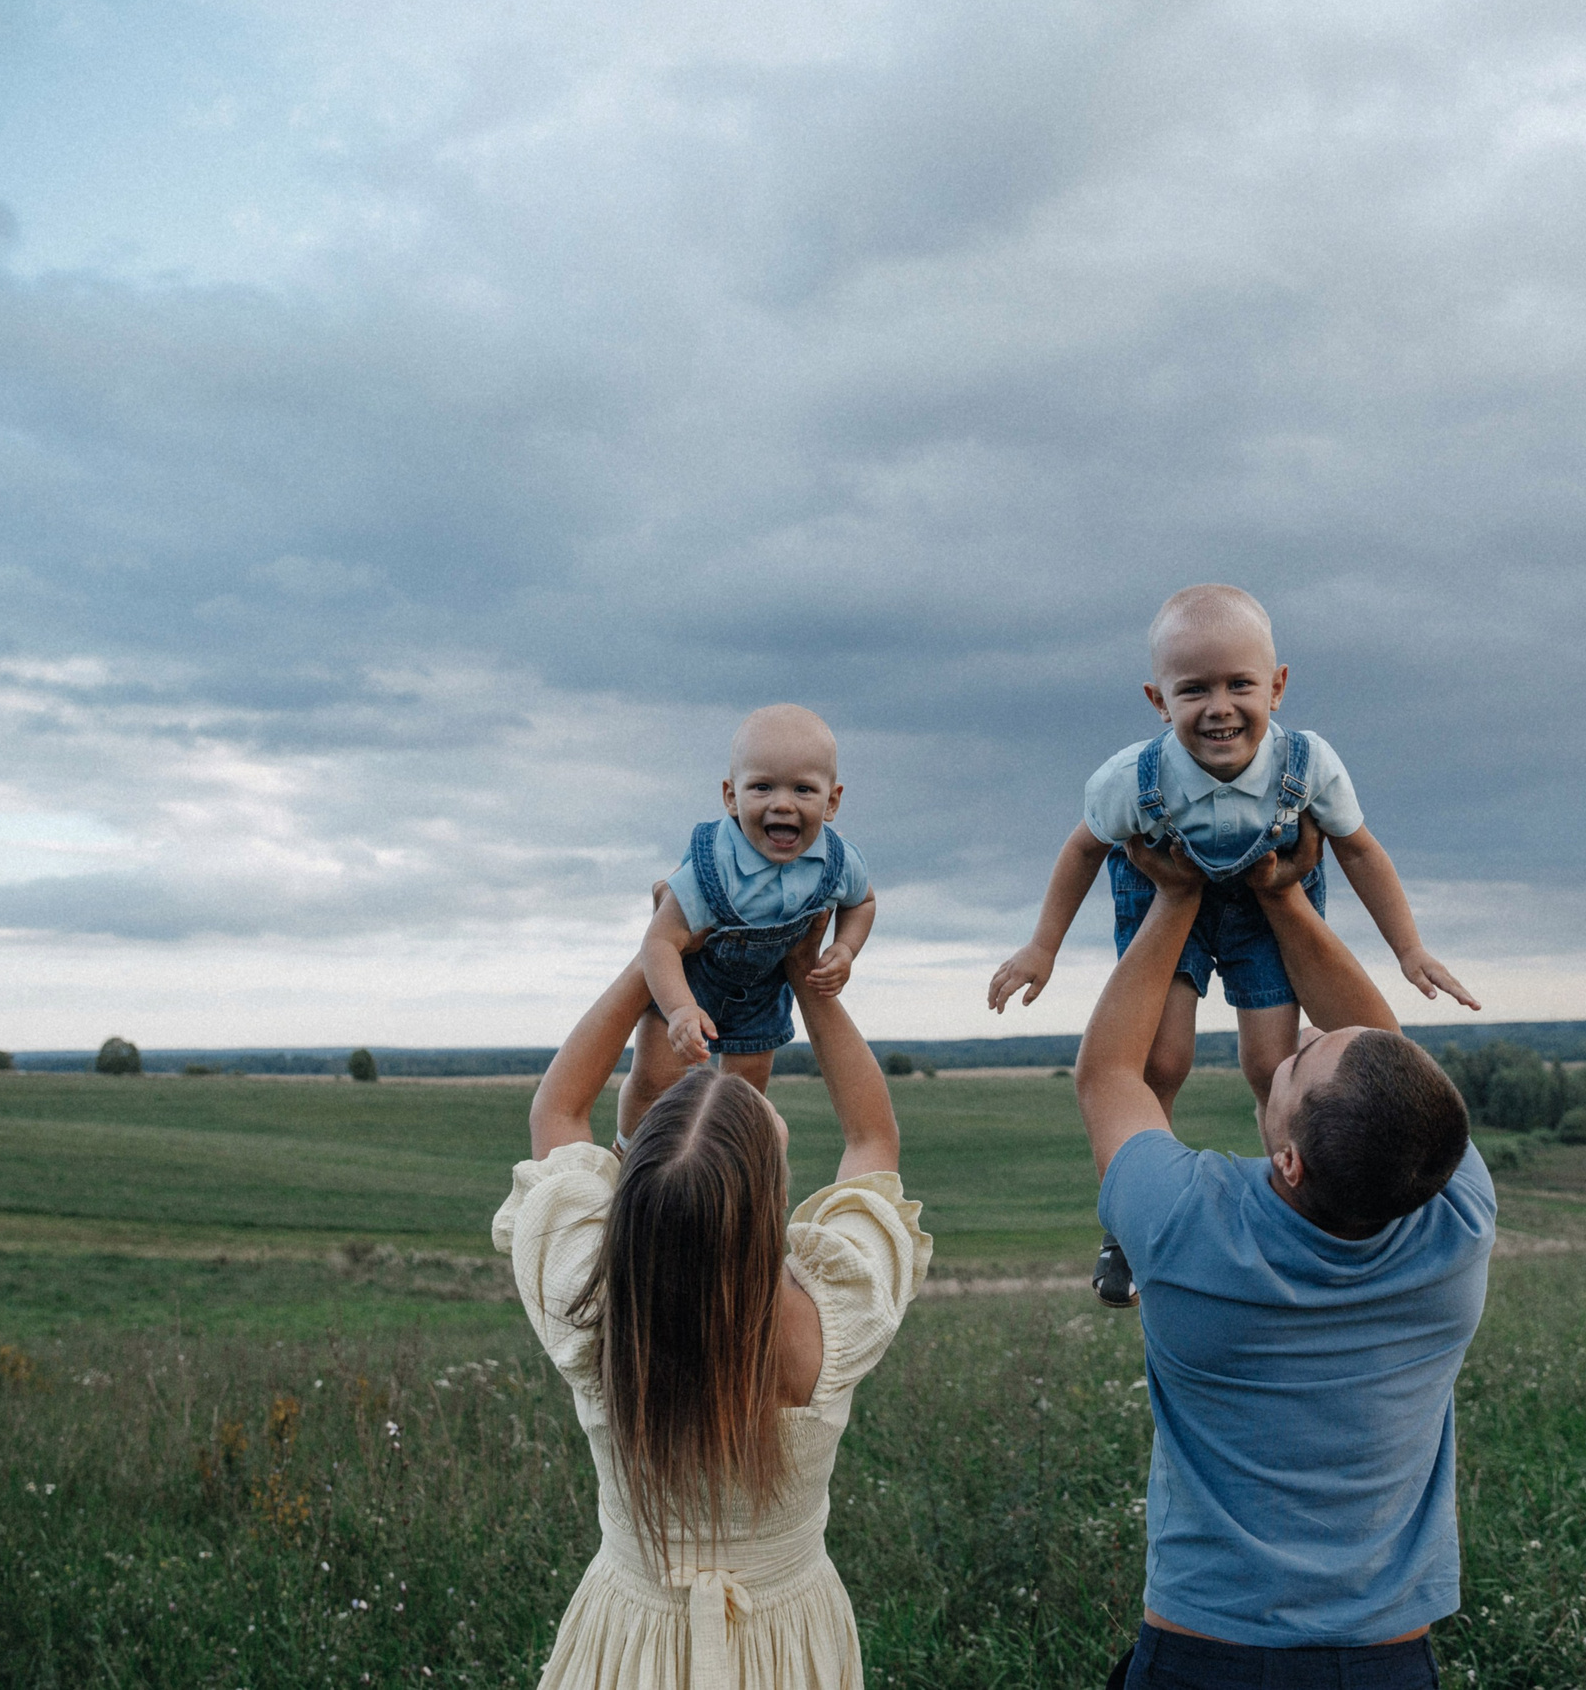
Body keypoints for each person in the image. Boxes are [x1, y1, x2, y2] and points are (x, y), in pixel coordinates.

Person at [1075, 819, 1493, 1690]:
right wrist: (1283, 895)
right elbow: (1391, 1057)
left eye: (1294, 1068)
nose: (1288, 1051)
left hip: (1203, 1650)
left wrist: (1174, 900)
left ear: (1289, 1160)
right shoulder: (1455, 1215)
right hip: (1385, 1660)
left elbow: (1110, 1074)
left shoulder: (1188, 1226)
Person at [986, 584, 1476, 1304]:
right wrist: (1041, 947)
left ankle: (1296, 1194)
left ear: (1276, 687)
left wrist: (1408, 946)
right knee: (1162, 1057)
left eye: (1239, 684)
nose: (1219, 706)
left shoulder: (1308, 766)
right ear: (1159, 700)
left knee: (1272, 1063)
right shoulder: (1133, 778)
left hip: (1265, 902)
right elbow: (1083, 850)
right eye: (1194, 689)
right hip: (1160, 895)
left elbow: (1361, 851)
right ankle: (1127, 1222)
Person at [497, 919, 928, 1690]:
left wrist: (656, 952)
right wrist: (807, 977)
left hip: (629, 1642)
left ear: (628, 1203)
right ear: (772, 1207)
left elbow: (556, 1115)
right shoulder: (833, 1315)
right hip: (789, 1645)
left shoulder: (591, 1311)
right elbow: (872, 1137)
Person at [558, 703, 877, 1149]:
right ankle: (628, 1153)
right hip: (690, 981)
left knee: (742, 1097)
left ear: (832, 801)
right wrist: (680, 1009)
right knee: (656, 1081)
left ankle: (726, 1167)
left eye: (803, 789)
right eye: (762, 787)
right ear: (731, 795)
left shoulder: (837, 861)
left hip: (762, 993)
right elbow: (659, 943)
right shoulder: (714, 867)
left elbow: (862, 902)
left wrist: (845, 948)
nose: (782, 803)